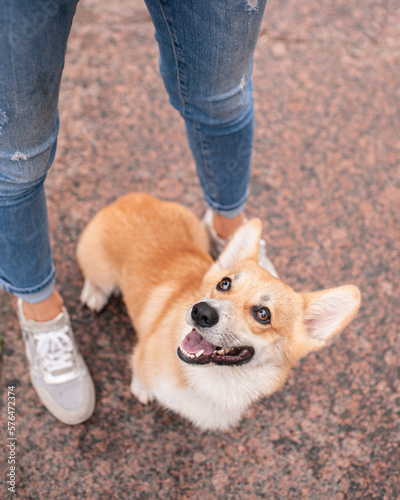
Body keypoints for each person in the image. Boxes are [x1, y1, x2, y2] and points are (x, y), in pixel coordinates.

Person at [0, 0, 277, 425]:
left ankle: (228, 235)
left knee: (222, 93)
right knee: (14, 156)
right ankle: (40, 310)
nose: (213, 310)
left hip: (171, 237)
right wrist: (145, 378)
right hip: (113, 244)